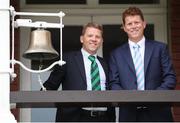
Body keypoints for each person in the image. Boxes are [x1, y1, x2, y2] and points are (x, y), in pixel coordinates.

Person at [108, 6, 176, 122]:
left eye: (137, 22)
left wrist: (152, 97)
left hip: (158, 112)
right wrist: (129, 98)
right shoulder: (116, 54)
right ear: (124, 28)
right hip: (129, 114)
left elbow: (170, 78)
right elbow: (114, 83)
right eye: (129, 24)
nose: (133, 26)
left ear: (144, 24)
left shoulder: (160, 48)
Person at [43, 22, 115, 122]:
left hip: (103, 118)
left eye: (97, 37)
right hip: (75, 118)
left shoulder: (105, 63)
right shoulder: (67, 59)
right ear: (82, 39)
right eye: (90, 35)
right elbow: (50, 86)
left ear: (101, 41)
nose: (94, 39)